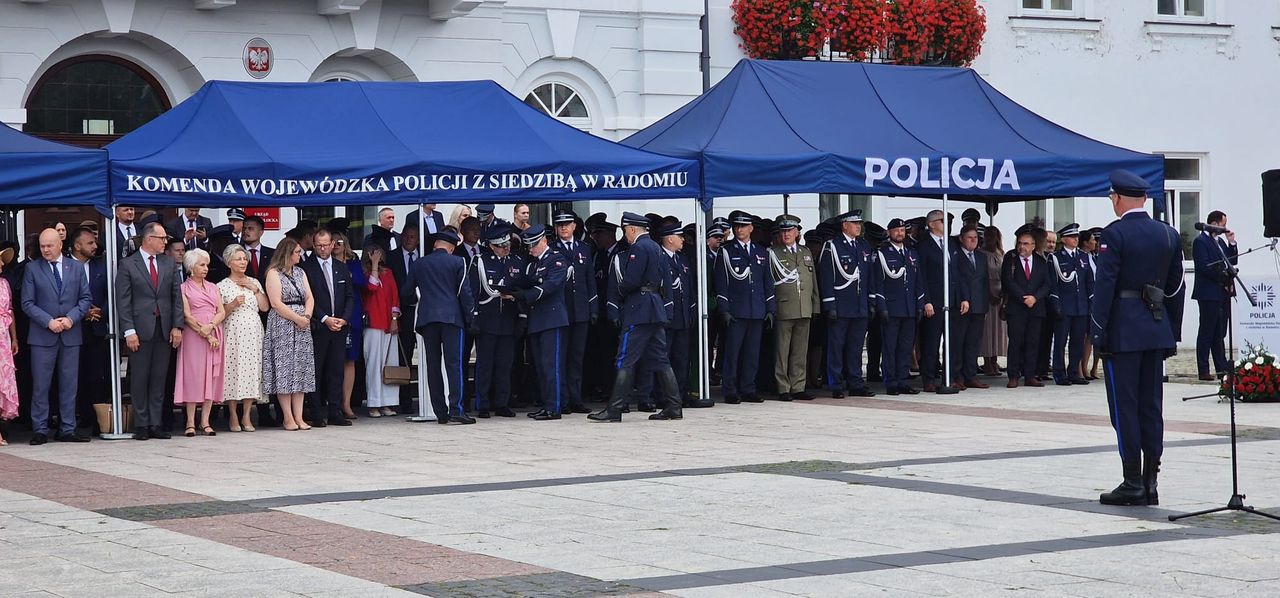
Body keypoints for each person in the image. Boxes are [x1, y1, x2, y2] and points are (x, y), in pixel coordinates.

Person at [1093, 170, 1185, 506]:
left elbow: (1105, 287)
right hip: (1156, 328)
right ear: (1144, 199)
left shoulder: (1114, 235)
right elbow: (1176, 287)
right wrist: (1171, 331)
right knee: (1151, 406)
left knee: (1125, 407)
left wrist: (1098, 332)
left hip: (1123, 332)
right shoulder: (1168, 234)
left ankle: (1132, 480)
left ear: (1117, 198)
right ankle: (1151, 480)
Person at [590, 212, 683, 422]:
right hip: (654, 308)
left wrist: (620, 292)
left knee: (624, 358)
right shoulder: (656, 247)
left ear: (632, 229)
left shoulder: (639, 248)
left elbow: (631, 280)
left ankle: (614, 409)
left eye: (625, 231)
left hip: (639, 309)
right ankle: (674, 406)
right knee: (661, 359)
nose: (625, 236)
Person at [22, 228, 92, 444]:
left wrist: (71, 318)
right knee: (41, 385)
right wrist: (48, 321)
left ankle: (67, 428)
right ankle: (40, 428)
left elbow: (85, 298)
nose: (45, 250)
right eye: (42, 246)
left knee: (69, 384)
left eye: (49, 246)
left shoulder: (77, 268)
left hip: (71, 334)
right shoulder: (32, 269)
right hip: (43, 336)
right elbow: (27, 303)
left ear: (60, 244)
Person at [117, 222, 184, 441]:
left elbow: (176, 297)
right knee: (139, 378)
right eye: (162, 238)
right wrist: (128, 330)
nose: (165, 242)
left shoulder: (168, 263)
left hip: (163, 327)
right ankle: (141, 423)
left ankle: (156, 422)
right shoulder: (128, 264)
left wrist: (177, 325)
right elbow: (123, 301)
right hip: (139, 328)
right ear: (148, 239)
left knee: (159, 377)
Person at [405, 230, 475, 424]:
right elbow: (465, 293)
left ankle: (440, 412)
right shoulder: (458, 262)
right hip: (452, 318)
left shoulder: (419, 263)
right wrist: (470, 318)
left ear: (436, 245)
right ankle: (457, 409)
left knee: (433, 366)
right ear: (451, 248)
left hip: (427, 319)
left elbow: (407, 292)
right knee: (454, 364)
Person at [714, 210, 775, 404]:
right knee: (732, 352)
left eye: (743, 226)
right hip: (736, 310)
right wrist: (724, 309)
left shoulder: (761, 252)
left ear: (751, 228)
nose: (739, 229)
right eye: (736, 226)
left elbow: (767, 282)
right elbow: (721, 282)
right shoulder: (726, 251)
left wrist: (770, 309)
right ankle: (730, 389)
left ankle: (748, 388)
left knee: (751, 352)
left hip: (756, 309)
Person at [510, 224, 568, 420]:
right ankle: (546, 403)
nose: (531, 249)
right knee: (541, 366)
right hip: (537, 319)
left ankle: (554, 407)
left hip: (552, 319)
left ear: (544, 241)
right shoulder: (533, 264)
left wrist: (525, 295)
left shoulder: (557, 260)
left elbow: (550, 286)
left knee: (551, 365)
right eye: (528, 246)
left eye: (533, 245)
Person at [817, 210, 876, 399]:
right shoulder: (832, 247)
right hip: (841, 306)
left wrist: (871, 301)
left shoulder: (864, 245)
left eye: (859, 223)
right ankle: (835, 383)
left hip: (859, 306)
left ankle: (856, 382)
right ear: (844, 226)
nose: (858, 226)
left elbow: (869, 277)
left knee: (856, 346)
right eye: (854, 223)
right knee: (836, 346)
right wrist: (830, 305)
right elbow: (826, 278)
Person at [300, 229, 354, 427]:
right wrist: (324, 318)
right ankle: (316, 412)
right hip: (318, 326)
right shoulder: (307, 268)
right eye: (318, 245)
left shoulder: (341, 267)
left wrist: (344, 319)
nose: (322, 248)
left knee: (336, 370)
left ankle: (335, 411)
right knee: (316, 370)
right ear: (314, 246)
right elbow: (307, 298)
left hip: (339, 327)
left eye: (326, 244)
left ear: (333, 244)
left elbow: (350, 296)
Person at [263, 238, 316, 430]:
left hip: (302, 321)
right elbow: (276, 303)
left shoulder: (301, 272)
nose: (300, 255)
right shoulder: (273, 273)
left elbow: (309, 297)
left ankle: (299, 416)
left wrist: (307, 315)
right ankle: (287, 417)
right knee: (285, 369)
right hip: (283, 323)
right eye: (297, 252)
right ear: (287, 253)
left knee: (300, 369)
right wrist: (297, 318)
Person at [471, 225, 523, 418]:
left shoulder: (517, 262)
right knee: (485, 364)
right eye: (501, 245)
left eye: (507, 244)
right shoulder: (480, 262)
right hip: (487, 319)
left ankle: (502, 403)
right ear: (492, 246)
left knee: (505, 364)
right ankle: (483, 403)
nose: (505, 248)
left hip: (508, 320)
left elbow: (521, 289)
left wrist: (522, 317)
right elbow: (474, 290)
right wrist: (474, 316)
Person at [765, 214, 817, 401]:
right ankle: (783, 387)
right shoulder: (773, 252)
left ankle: (798, 386)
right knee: (782, 350)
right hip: (784, 307)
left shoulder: (805, 252)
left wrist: (815, 306)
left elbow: (813, 281)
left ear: (797, 233)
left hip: (804, 307)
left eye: (789, 231)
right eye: (783, 231)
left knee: (800, 350)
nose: (786, 234)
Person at [872, 219, 926, 396]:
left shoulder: (911, 253)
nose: (900, 234)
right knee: (890, 347)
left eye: (902, 231)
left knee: (905, 347)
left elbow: (918, 282)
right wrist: (882, 307)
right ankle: (891, 382)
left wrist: (919, 305)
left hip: (909, 308)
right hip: (891, 308)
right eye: (896, 231)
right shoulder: (881, 254)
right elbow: (877, 283)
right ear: (889, 233)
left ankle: (903, 380)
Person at [175, 249, 225, 438]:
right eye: (201, 265)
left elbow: (221, 311)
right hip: (194, 335)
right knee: (193, 376)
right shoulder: (184, 288)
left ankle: (205, 421)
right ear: (191, 267)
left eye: (206, 264)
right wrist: (204, 332)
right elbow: (186, 315)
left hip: (214, 330)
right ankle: (189, 421)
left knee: (211, 376)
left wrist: (212, 326)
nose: (205, 268)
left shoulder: (213, 287)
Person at [217, 244, 267, 432]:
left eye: (245, 259)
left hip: (253, 332)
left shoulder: (253, 281)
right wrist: (231, 304)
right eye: (238, 259)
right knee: (232, 372)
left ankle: (247, 415)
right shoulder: (221, 286)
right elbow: (219, 313)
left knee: (251, 372)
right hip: (233, 333)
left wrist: (255, 289)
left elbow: (265, 307)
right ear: (229, 262)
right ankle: (232, 415)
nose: (243, 262)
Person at [550, 209, 596, 414]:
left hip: (581, 310)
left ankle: (576, 398)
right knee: (562, 356)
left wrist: (593, 307)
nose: (563, 228)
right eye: (560, 225)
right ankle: (563, 399)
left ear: (574, 226)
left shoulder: (584, 249)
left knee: (577, 357)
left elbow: (589, 281)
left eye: (567, 224)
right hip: (561, 310)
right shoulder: (552, 249)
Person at [69, 227, 110, 430]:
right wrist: (81, 312)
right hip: (72, 329)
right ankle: (74, 418)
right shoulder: (65, 267)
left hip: (97, 329)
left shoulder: (101, 266)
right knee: (73, 375)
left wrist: (102, 311)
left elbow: (112, 294)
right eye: (90, 243)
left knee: (95, 375)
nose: (95, 246)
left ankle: (95, 420)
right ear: (77, 246)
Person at [1002, 225, 1051, 389]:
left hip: (1036, 308)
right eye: (1020, 243)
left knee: (1033, 342)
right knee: (1015, 342)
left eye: (1026, 244)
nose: (1022, 246)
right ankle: (1013, 375)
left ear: (1033, 246)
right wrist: (1023, 298)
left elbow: (1047, 284)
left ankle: (1030, 375)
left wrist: (1035, 298)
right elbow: (1008, 280)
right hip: (1017, 308)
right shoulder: (1011, 258)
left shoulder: (1041, 261)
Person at [1192, 210, 1236, 381]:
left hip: (1222, 293)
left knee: (1220, 332)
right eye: (1223, 224)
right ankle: (1203, 368)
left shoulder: (1219, 242)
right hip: (1208, 293)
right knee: (1207, 331)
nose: (1225, 227)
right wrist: (1224, 279)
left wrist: (1231, 243)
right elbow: (1205, 266)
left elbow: (1231, 261)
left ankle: (1222, 367)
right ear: (1214, 223)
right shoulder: (1200, 242)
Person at [1048, 223, 1093, 386]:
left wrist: (1091, 302)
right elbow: (1053, 284)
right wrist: (1056, 303)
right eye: (1072, 237)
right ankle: (1059, 374)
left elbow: (1089, 282)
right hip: (1064, 306)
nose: (1076, 239)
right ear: (1064, 239)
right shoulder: (1056, 258)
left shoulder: (1083, 257)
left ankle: (1074, 371)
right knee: (1060, 342)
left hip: (1081, 306)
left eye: (1077, 237)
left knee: (1077, 341)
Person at [360, 244, 401, 417]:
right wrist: (374, 266)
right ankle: (374, 403)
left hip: (388, 324)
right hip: (373, 325)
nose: (377, 256)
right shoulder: (364, 273)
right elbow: (372, 287)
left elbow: (394, 297)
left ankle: (388, 402)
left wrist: (394, 319)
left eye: (379, 254)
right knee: (374, 364)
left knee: (389, 363)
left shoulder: (389, 273)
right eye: (374, 254)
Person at [950, 225, 990, 390]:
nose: (973, 241)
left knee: (973, 343)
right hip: (962, 306)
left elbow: (984, 282)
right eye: (969, 237)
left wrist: (985, 305)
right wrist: (962, 299)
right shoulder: (955, 255)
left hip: (978, 306)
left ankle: (970, 375)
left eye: (975, 238)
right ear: (961, 239)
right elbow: (957, 280)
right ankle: (956, 375)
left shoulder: (981, 257)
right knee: (958, 342)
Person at [916, 210, 951, 392]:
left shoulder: (949, 244)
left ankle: (948, 376)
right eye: (942, 220)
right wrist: (926, 301)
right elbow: (921, 276)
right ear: (931, 224)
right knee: (931, 342)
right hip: (934, 301)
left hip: (950, 301)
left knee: (950, 342)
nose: (946, 223)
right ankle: (928, 378)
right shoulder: (924, 246)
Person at [388, 225, 420, 414]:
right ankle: (404, 400)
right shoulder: (392, 257)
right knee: (403, 358)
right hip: (401, 313)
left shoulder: (423, 255)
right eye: (406, 236)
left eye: (413, 237)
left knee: (425, 358)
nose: (409, 239)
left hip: (422, 311)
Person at [335, 233, 364, 420]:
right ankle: (333, 402)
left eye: (339, 242)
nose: (336, 245)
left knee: (350, 360)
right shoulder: (326, 263)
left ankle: (346, 403)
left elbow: (361, 282)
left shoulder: (353, 262)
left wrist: (348, 272)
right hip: (333, 316)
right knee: (333, 361)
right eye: (333, 242)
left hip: (352, 316)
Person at [980, 226, 1007, 377]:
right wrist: (990, 294)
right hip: (987, 292)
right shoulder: (981, 253)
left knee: (998, 330)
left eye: (994, 236)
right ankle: (986, 361)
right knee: (987, 330)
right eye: (988, 236)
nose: (991, 239)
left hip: (1000, 291)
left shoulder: (1000, 253)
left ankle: (994, 360)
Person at [1081, 228, 1103, 380]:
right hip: (1085, 300)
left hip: (1097, 300)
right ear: (1086, 242)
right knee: (1085, 336)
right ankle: (1082, 367)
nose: (1095, 242)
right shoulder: (1081, 257)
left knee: (1095, 335)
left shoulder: (1094, 257)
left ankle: (1095, 367)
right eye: (1093, 240)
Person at [0, 248, 17, 446]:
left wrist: (14, 338)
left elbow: (10, 311)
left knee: (3, 384)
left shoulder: (4, 284)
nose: (3, 264)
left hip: (4, 339)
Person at [240, 215, 274, 284]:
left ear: (261, 232)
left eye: (250, 228)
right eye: (244, 228)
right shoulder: (236, 252)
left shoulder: (272, 254)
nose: (245, 231)